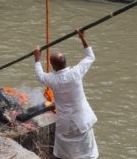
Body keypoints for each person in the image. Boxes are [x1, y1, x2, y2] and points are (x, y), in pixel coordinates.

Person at [33, 28, 98, 159]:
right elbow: (90, 56)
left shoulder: (52, 79)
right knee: (88, 153)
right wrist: (82, 38)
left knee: (63, 154)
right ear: (65, 62)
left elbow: (39, 75)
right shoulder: (76, 73)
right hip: (82, 119)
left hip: (65, 122)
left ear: (54, 67)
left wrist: (37, 58)